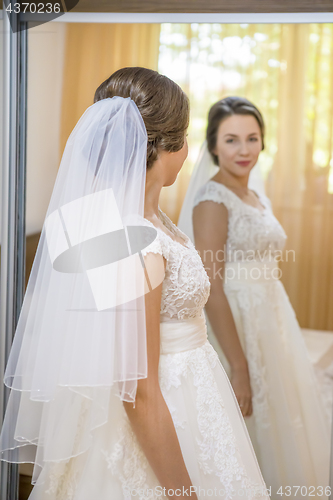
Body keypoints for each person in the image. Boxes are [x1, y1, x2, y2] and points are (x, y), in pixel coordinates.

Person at [0, 70, 271, 500]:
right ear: (166, 146)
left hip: (193, 397)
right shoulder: (136, 242)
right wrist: (183, 493)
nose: (187, 153)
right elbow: (139, 391)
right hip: (165, 409)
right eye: (183, 139)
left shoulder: (151, 221)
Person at [178, 96, 331, 499]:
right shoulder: (213, 200)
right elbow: (210, 286)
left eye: (252, 138)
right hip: (236, 325)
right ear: (212, 146)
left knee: (281, 421)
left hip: (271, 320)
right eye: (231, 140)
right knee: (246, 423)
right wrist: (239, 365)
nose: (244, 150)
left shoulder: (253, 194)